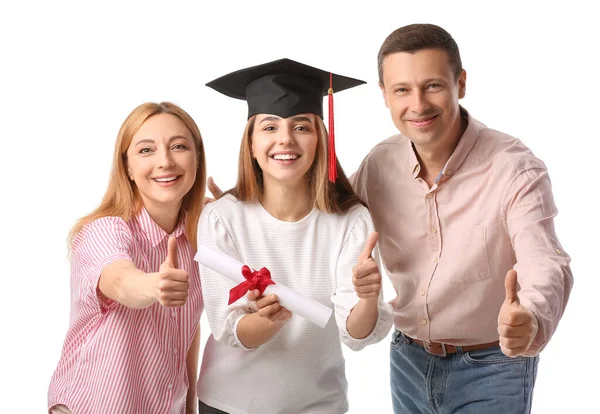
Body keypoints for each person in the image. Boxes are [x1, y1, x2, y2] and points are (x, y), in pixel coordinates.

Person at [350, 24, 574, 413]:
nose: (418, 104)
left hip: (493, 366)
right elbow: (326, 217)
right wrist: (244, 206)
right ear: (385, 95)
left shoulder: (514, 169)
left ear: (461, 83)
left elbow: (545, 260)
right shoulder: (379, 164)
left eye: (433, 85)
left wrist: (533, 318)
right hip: (407, 359)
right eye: (402, 89)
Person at [195, 58, 393, 414]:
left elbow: (357, 334)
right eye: (269, 127)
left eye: (301, 127)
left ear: (320, 139)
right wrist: (265, 322)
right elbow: (229, 329)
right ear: (251, 144)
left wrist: (367, 298)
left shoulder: (350, 220)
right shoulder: (222, 218)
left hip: (318, 405)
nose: (285, 139)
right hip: (229, 404)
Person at [48, 102, 206, 414]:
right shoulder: (103, 231)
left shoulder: (196, 238)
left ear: (197, 160)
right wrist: (155, 286)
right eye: (146, 150)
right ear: (128, 168)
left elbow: (186, 328)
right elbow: (121, 282)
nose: (165, 161)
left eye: (179, 146)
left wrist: (190, 407)